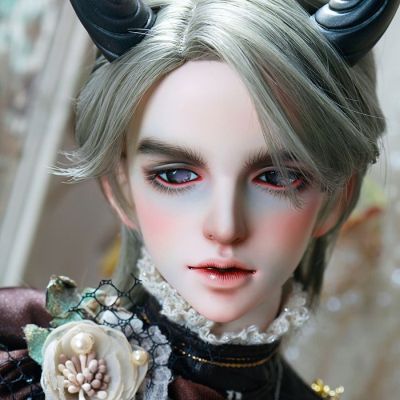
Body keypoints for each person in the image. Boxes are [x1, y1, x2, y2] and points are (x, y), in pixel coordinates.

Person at [0, 0, 398, 399]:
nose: (224, 227)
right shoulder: (16, 362)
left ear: (335, 198)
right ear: (122, 188)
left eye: (277, 177)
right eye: (176, 175)